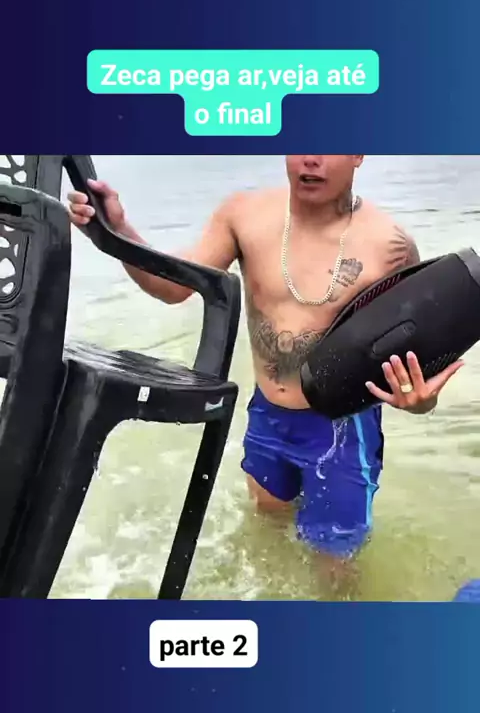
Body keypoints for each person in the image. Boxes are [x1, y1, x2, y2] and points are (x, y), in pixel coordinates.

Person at [67, 155, 463, 559]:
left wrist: (420, 402)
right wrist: (117, 232)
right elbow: (173, 287)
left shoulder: (390, 246)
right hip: (268, 416)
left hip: (342, 432)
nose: (312, 159)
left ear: (358, 154)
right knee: (269, 539)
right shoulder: (244, 216)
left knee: (334, 564)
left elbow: (417, 370)